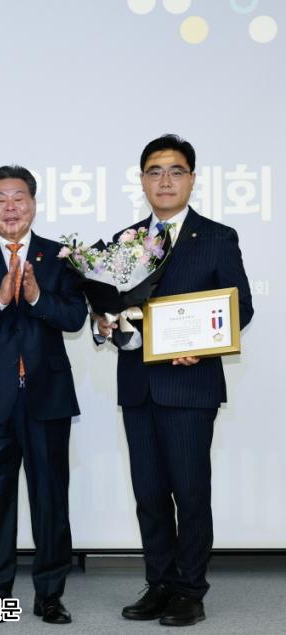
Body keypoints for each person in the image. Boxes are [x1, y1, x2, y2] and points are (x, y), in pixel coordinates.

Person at [94, 134, 254, 627]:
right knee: (148, 494)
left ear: (192, 179)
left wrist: (202, 344)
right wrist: (103, 323)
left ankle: (189, 589)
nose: (165, 180)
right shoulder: (123, 241)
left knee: (189, 491)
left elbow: (241, 308)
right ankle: (159, 583)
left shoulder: (217, 237)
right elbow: (110, 308)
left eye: (176, 171)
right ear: (142, 180)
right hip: (138, 385)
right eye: (155, 171)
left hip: (189, 386)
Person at [0, 165, 87, 624]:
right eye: (1, 199)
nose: (10, 207)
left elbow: (74, 317)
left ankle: (50, 595)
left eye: (19, 197)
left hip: (47, 396)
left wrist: (36, 296)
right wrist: (0, 299)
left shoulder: (60, 256)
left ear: (33, 204)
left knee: (51, 500)